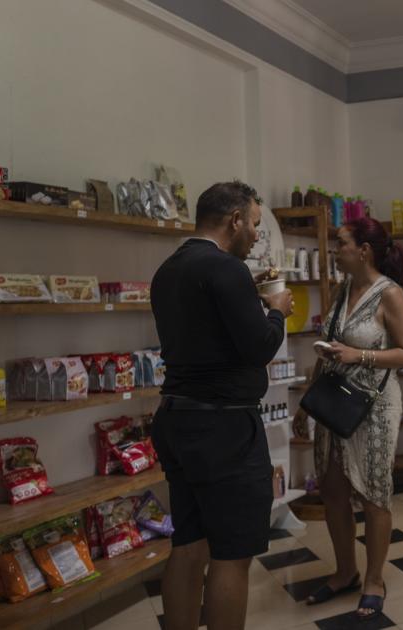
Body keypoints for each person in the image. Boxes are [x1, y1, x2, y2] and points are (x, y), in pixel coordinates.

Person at [150, 181, 294, 630]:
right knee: (232, 555)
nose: (255, 234)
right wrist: (275, 311)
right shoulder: (226, 270)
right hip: (225, 429)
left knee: (188, 546)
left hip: (177, 418)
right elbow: (258, 348)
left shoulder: (169, 269)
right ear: (234, 220)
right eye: (253, 224)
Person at [293, 217, 403, 621]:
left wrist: (359, 355)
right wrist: (304, 404)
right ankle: (345, 571)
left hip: (374, 407)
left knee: (373, 493)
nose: (335, 252)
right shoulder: (344, 290)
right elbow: (331, 349)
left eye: (342, 244)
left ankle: (374, 579)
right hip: (332, 403)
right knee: (332, 491)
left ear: (363, 251)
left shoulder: (390, 295)